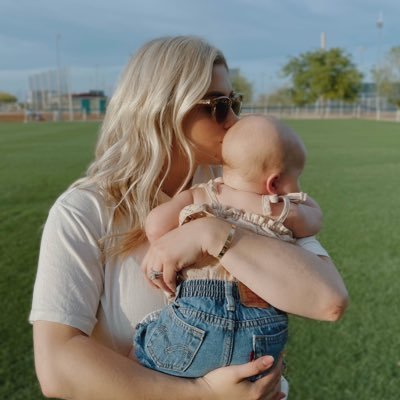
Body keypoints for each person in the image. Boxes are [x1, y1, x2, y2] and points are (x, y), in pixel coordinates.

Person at [30, 36, 348, 400]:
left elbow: (329, 300)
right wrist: (203, 394)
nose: (234, 120)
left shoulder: (245, 189)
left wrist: (213, 234)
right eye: (219, 105)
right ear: (163, 108)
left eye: (236, 102)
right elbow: (57, 366)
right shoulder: (85, 211)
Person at [134, 114, 326, 389]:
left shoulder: (201, 195)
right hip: (261, 332)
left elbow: (155, 225)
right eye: (297, 178)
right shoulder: (281, 209)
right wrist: (283, 206)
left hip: (194, 319)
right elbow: (314, 220)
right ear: (273, 184)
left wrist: (166, 245)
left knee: (143, 340)